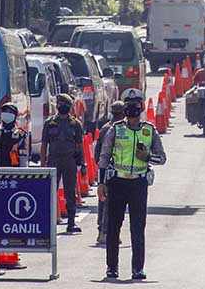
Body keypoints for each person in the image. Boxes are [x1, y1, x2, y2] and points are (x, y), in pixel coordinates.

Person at [97, 88, 167, 280]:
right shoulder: (116, 129)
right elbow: (103, 158)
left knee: (138, 227)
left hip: (138, 185)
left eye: (136, 106)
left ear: (142, 107)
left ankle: (138, 268)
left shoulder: (149, 130)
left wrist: (147, 157)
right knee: (113, 227)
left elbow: (162, 158)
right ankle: (112, 267)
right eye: (129, 106)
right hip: (117, 183)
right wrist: (101, 183)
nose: (132, 109)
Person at [41, 93, 85, 234]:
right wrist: (42, 162)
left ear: (70, 106)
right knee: (50, 192)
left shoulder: (75, 124)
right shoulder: (49, 123)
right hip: (53, 160)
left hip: (69, 160)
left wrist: (82, 163)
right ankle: (47, 223)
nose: (62, 106)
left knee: (70, 192)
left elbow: (80, 145)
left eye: (65, 104)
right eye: (60, 104)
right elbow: (44, 144)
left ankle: (71, 223)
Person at [94, 100, 125, 246]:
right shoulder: (122, 129)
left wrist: (101, 168)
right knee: (113, 204)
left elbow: (97, 153)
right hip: (117, 173)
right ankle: (107, 233)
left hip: (105, 170)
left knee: (103, 202)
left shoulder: (104, 128)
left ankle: (102, 231)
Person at [0, 103, 29, 167]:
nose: (7, 114)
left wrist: (23, 173)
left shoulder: (20, 134)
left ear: (15, 115)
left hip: (13, 172)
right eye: (5, 111)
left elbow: (23, 158)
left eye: (10, 112)